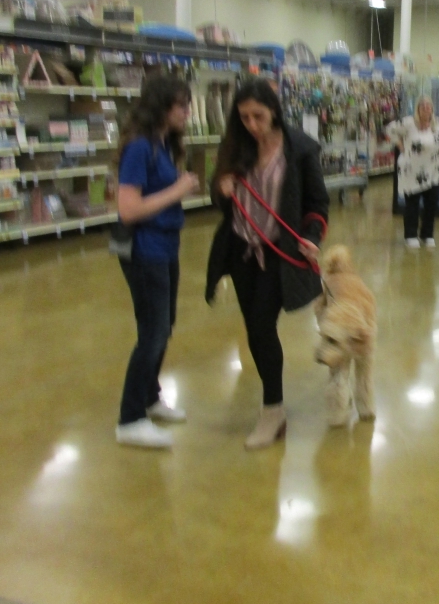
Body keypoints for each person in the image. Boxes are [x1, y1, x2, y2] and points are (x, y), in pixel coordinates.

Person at [206, 79, 330, 449]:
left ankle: (272, 411)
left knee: (261, 326)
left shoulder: (301, 149)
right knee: (255, 330)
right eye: (244, 117)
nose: (252, 124)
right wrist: (221, 189)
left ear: (274, 110)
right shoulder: (235, 145)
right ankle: (273, 409)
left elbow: (317, 202)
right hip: (241, 252)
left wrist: (312, 235)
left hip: (278, 255)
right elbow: (220, 198)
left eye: (258, 116)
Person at [114, 74, 201, 449]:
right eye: (181, 105)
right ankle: (130, 419)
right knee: (153, 332)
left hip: (165, 247)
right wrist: (177, 190)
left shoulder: (162, 145)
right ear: (161, 107)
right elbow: (128, 209)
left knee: (163, 327)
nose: (187, 112)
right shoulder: (140, 147)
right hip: (145, 250)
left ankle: (149, 397)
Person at [387, 95, 439, 249]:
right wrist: (400, 145)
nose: (426, 108)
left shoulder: (437, 122)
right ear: (417, 108)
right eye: (422, 105)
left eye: (428, 105)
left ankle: (427, 234)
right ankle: (410, 235)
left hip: (434, 170)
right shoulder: (409, 122)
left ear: (432, 108)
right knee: (412, 204)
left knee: (432, 204)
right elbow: (390, 129)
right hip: (412, 171)